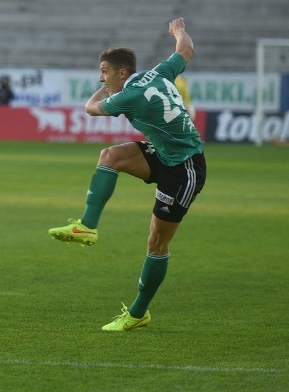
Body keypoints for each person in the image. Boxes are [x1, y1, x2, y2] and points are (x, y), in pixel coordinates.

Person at [48, 18, 206, 332]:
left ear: (122, 72)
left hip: (185, 169)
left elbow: (91, 109)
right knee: (111, 156)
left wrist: (101, 91)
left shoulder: (127, 96)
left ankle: (138, 313)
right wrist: (177, 31)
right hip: (164, 154)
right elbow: (185, 49)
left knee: (157, 244)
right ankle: (87, 226)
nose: (101, 77)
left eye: (104, 71)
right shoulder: (158, 72)